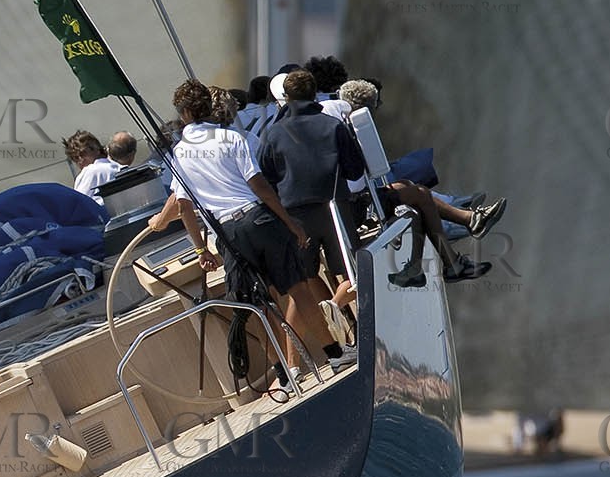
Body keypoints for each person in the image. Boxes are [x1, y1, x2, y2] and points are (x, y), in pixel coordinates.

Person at [162, 79, 347, 382]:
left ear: (183, 115)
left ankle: (283, 374)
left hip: (227, 233)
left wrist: (200, 250)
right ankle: (335, 355)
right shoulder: (231, 138)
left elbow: (183, 207)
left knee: (258, 304)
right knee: (298, 288)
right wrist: (290, 222)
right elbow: (259, 186)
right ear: (208, 108)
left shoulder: (179, 155)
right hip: (259, 220)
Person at [337, 78, 501, 286]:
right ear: (366, 110)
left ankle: (440, 257)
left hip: (352, 200)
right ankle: (462, 236)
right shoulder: (351, 132)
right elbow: (366, 173)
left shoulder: (338, 123)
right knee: (418, 198)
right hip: (355, 206)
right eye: (376, 106)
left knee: (411, 189)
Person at [257, 69, 368, 289]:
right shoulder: (333, 125)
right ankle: (339, 305)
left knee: (305, 277)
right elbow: (355, 170)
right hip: (335, 209)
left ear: (286, 98)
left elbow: (265, 177)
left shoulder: (272, 134)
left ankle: (329, 316)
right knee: (352, 273)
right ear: (315, 93)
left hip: (295, 217)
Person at [62, 130, 110, 200]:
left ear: (96, 149)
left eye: (83, 154)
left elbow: (80, 203)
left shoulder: (90, 171)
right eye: (75, 158)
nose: (80, 160)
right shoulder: (118, 165)